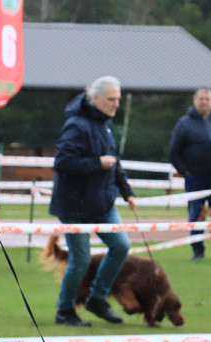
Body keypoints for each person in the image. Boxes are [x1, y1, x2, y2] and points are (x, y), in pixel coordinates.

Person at [48, 76, 137, 327]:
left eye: (118, 98)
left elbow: (114, 163)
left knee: (121, 246)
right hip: (73, 205)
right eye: (111, 99)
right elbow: (62, 163)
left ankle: (97, 298)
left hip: (102, 202)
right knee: (81, 260)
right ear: (95, 99)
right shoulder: (76, 125)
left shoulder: (106, 125)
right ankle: (64, 311)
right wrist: (97, 164)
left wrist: (127, 192)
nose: (116, 104)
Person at [169, 87, 211, 260]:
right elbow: (174, 151)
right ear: (194, 100)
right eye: (201, 98)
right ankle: (198, 251)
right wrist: (186, 172)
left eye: (207, 98)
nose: (204, 101)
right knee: (195, 215)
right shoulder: (184, 123)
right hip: (195, 178)